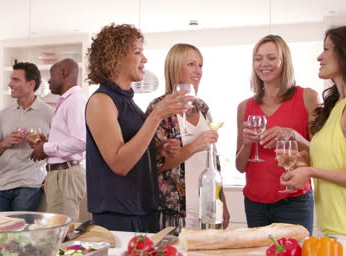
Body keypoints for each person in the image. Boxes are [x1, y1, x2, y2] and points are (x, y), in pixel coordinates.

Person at [281, 23, 346, 256]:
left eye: (327, 49)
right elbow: (339, 158)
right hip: (334, 233)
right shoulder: (338, 106)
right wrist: (305, 160)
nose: (320, 56)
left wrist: (311, 171)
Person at [85, 23, 191, 232]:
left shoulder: (128, 102)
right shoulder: (101, 101)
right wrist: (157, 115)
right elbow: (119, 163)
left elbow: (133, 148)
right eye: (137, 52)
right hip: (119, 217)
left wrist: (158, 149)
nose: (145, 59)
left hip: (143, 211)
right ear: (115, 58)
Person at [235, 35, 319, 234]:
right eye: (258, 58)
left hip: (294, 201)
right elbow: (240, 166)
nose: (264, 63)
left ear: (284, 61)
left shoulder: (307, 97)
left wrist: (293, 136)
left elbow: (321, 156)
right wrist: (247, 144)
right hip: (254, 203)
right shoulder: (244, 107)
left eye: (271, 58)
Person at [146, 43, 230, 229]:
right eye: (191, 64)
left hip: (207, 211)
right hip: (173, 213)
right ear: (175, 67)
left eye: (200, 65)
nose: (198, 70)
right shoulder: (159, 108)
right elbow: (154, 166)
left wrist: (221, 202)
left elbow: (213, 163)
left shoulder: (203, 108)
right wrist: (193, 146)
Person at [0, 62, 52, 212]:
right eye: (11, 79)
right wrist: (5, 143)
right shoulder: (3, 114)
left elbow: (55, 149)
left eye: (16, 80)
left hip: (29, 186)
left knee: (20, 235)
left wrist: (41, 146)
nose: (10, 84)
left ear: (30, 84)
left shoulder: (49, 113)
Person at [30, 58, 87, 222]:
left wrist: (46, 147)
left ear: (63, 73)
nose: (48, 80)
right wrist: (45, 143)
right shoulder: (68, 101)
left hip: (65, 174)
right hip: (60, 174)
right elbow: (70, 138)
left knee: (61, 232)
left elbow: (81, 141)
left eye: (51, 75)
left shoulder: (75, 101)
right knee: (57, 230)